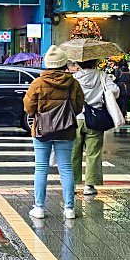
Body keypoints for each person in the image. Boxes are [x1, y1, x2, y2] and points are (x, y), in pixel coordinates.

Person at [23, 45, 85, 220]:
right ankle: (69, 208)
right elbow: (78, 107)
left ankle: (39, 208)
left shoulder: (38, 83)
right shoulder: (73, 83)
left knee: (41, 168)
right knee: (65, 168)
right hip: (66, 130)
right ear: (64, 63)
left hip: (42, 130)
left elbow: (28, 107)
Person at [71, 59, 122, 197]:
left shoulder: (74, 78)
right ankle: (89, 185)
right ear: (94, 62)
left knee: (73, 153)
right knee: (93, 153)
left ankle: (72, 184)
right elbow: (115, 91)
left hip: (76, 119)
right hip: (95, 119)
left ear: (79, 64)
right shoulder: (101, 75)